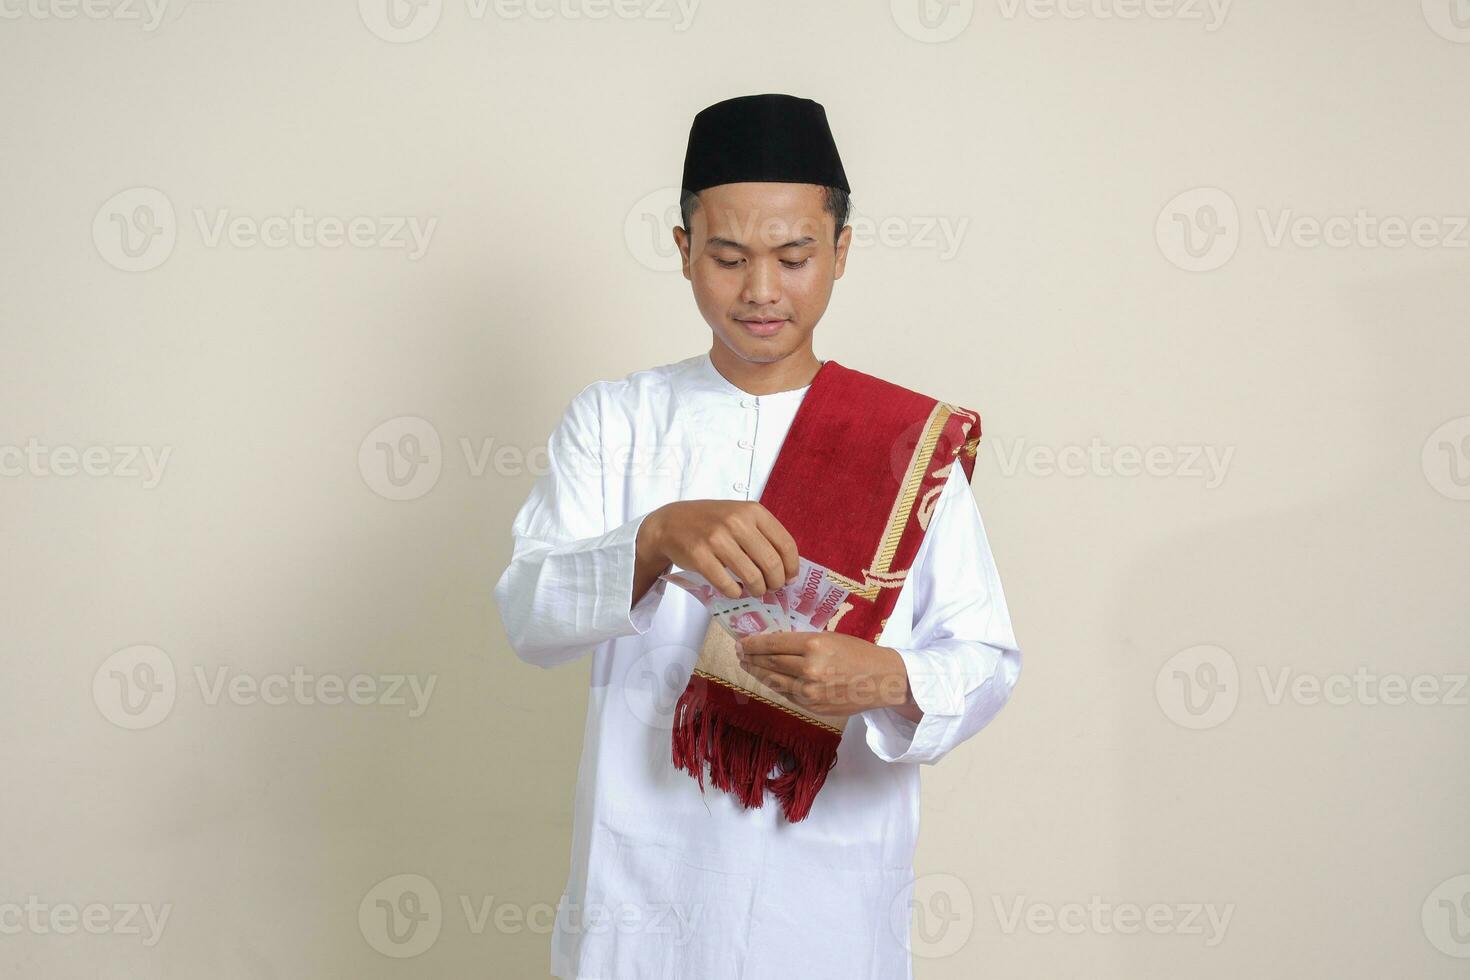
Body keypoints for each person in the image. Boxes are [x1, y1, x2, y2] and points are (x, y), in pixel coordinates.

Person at [493, 93, 1022, 980]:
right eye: (730, 257)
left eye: (794, 256)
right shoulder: (617, 421)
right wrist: (655, 538)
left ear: (841, 252)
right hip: (643, 881)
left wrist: (891, 675)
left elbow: (987, 658)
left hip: (829, 893)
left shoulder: (900, 441)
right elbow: (527, 615)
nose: (762, 290)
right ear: (684, 250)